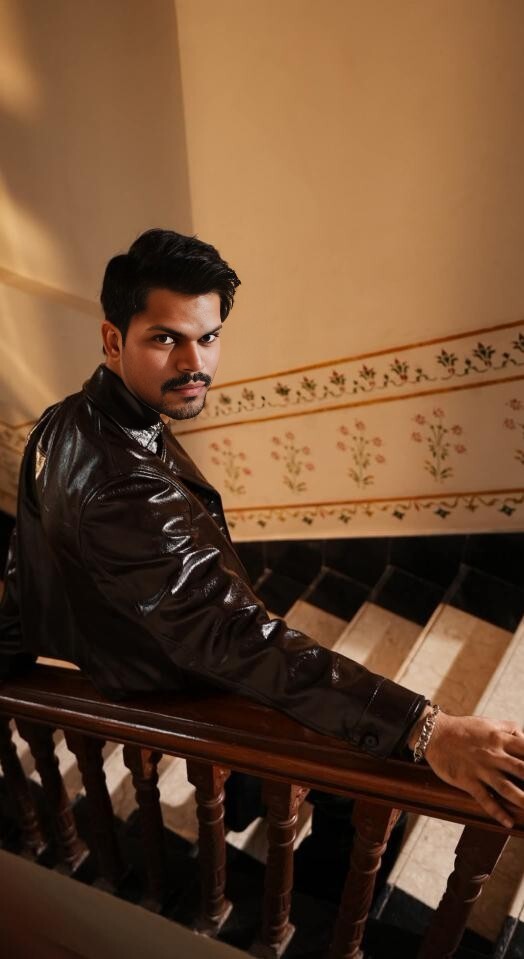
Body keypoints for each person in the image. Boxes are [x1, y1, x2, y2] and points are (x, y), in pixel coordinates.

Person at [1, 229, 523, 868]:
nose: (194, 362)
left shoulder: (60, 421)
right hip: (170, 673)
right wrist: (426, 729)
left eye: (208, 337)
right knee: (337, 762)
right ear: (114, 340)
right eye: (165, 339)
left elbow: (24, 559)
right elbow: (233, 639)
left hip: (135, 639)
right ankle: (325, 881)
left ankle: (249, 796)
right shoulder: (122, 490)